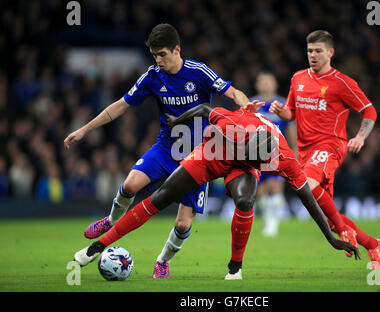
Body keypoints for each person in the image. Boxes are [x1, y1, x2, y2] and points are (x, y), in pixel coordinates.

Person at [74, 104, 361, 279]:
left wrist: (331, 239)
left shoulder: (283, 157)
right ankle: (96, 247)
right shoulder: (231, 123)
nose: (255, 163)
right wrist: (177, 122)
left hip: (239, 167)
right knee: (160, 198)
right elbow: (201, 110)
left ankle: (234, 268)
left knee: (246, 200)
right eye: (252, 159)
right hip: (213, 153)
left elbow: (308, 199)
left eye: (258, 162)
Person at [64, 23, 251, 273]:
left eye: (162, 54)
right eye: (154, 55)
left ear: (177, 50)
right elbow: (121, 105)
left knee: (184, 224)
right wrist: (84, 129)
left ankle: (162, 262)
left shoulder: (199, 72)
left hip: (198, 156)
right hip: (166, 147)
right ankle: (110, 221)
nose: (158, 60)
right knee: (130, 184)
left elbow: (233, 92)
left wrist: (246, 108)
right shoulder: (152, 76)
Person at [269, 30, 380, 269]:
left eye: (318, 51)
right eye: (310, 50)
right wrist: (282, 112)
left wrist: (360, 136)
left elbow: (369, 110)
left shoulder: (342, 83)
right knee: (327, 217)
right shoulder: (298, 78)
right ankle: (374, 244)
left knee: (309, 188)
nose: (313, 55)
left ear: (330, 53)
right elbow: (292, 112)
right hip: (305, 151)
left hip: (331, 145)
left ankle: (344, 231)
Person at [250, 72, 296, 237]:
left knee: (275, 187)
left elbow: (290, 127)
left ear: (275, 84)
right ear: (257, 85)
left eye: (268, 81)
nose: (265, 84)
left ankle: (272, 222)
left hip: (278, 153)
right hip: (255, 154)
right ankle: (269, 219)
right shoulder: (251, 103)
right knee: (260, 191)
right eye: (262, 81)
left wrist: (295, 150)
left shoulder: (282, 104)